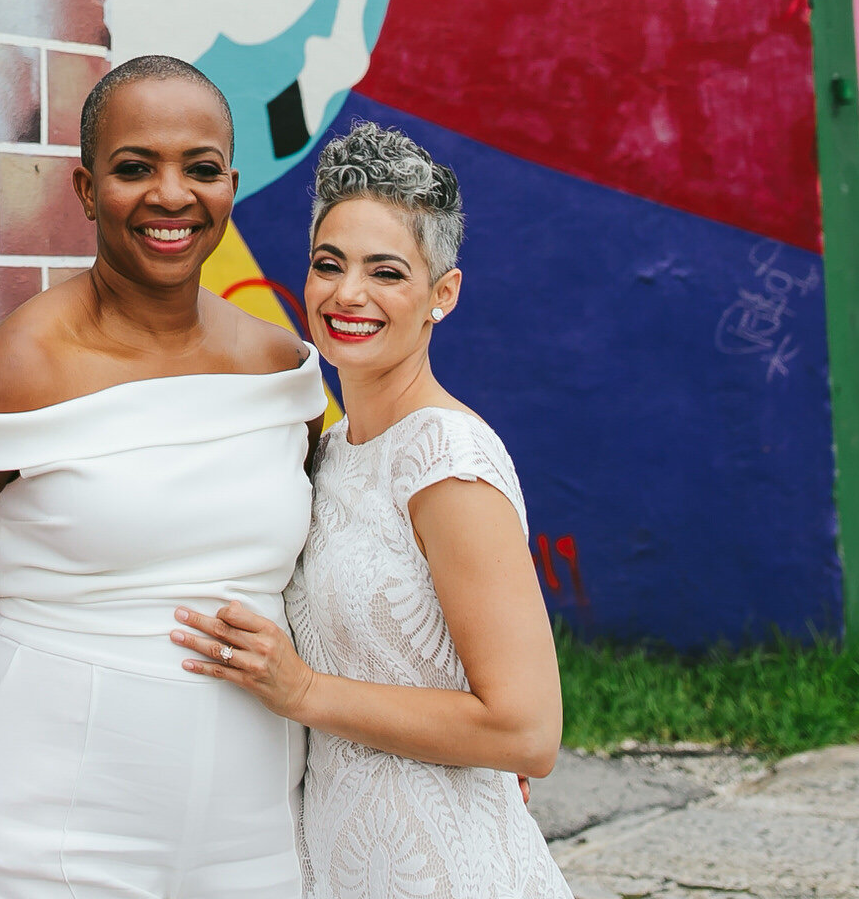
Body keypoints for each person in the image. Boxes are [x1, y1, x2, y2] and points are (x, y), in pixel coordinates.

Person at [0, 53, 327, 899]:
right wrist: (21, 657)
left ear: (230, 185)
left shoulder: (284, 370)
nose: (172, 196)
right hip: (47, 822)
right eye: (135, 169)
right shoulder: (22, 366)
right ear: (88, 190)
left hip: (255, 819)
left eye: (199, 169)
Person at [173, 122, 572, 898]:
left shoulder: (447, 464)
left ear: (441, 295)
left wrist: (305, 692)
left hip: (449, 873)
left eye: (386, 272)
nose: (347, 294)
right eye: (330, 265)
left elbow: (528, 730)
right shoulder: (327, 454)